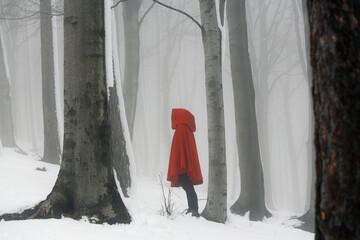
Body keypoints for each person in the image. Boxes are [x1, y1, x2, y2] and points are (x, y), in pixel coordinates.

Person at [167, 108, 203, 217]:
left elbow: (181, 149)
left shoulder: (182, 129)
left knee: (187, 185)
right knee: (187, 185)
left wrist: (181, 164)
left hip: (183, 165)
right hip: (184, 164)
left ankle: (194, 209)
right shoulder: (185, 129)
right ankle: (192, 208)